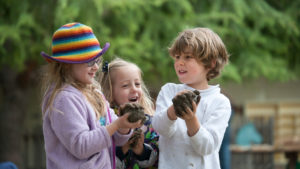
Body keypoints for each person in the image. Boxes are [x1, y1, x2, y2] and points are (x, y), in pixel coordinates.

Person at [40, 22, 141, 169]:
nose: (96, 67)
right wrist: (117, 125)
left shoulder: (95, 92)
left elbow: (116, 138)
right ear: (67, 64)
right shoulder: (64, 99)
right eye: (90, 61)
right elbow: (81, 146)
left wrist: (124, 125)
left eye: (98, 60)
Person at [152, 27, 231, 169]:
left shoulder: (220, 102)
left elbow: (207, 147)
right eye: (177, 57)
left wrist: (191, 119)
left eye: (188, 57)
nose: (180, 62)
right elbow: (160, 128)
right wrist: (173, 110)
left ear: (210, 63)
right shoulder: (169, 91)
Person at [99, 58, 159, 169]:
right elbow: (101, 161)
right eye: (125, 85)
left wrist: (141, 150)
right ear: (110, 91)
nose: (134, 89)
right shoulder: (105, 123)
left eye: (137, 84)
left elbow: (159, 158)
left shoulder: (150, 122)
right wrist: (123, 148)